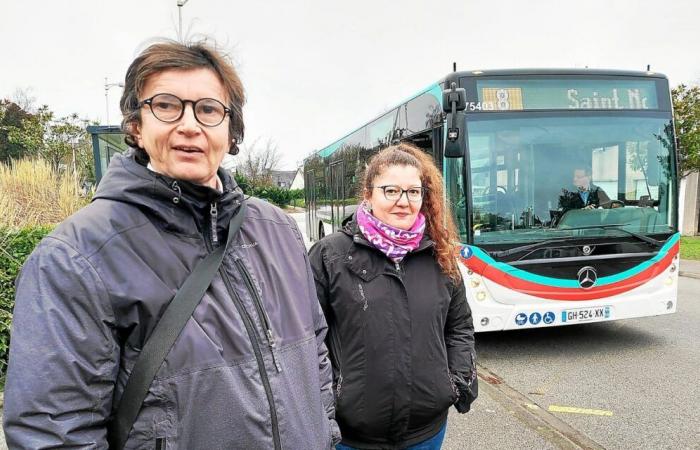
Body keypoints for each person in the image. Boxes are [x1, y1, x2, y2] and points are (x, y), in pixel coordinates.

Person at [3, 39, 340, 449]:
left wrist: (324, 433)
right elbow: (54, 433)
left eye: (208, 109)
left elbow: (316, 354)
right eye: (166, 105)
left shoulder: (276, 229)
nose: (189, 124)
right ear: (135, 126)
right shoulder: (75, 258)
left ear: (230, 131)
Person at [309, 143, 477, 450]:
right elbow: (308, 337)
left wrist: (454, 382)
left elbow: (459, 327)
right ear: (368, 193)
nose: (404, 201)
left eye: (413, 192)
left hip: (426, 431)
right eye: (391, 190)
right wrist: (329, 399)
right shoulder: (330, 255)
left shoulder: (440, 254)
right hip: (352, 437)